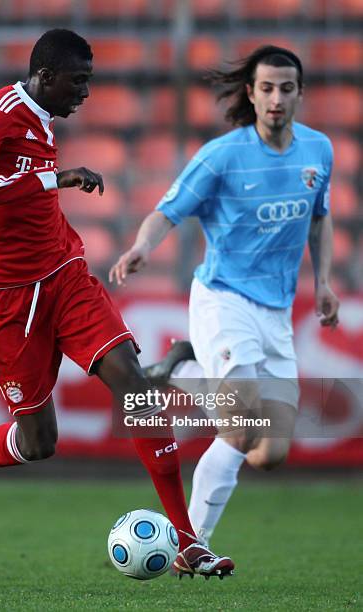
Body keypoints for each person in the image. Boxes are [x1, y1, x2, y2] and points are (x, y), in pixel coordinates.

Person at [0, 29, 234, 579]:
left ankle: (188, 540)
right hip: (6, 298)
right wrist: (53, 177)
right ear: (45, 77)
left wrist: (47, 187)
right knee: (38, 443)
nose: (85, 93)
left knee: (134, 388)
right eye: (78, 81)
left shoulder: (40, 115)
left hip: (64, 275)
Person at [110, 45, 339, 544]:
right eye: (267, 88)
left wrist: (321, 282)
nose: (276, 98)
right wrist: (142, 246)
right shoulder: (222, 156)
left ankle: (185, 370)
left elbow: (320, 219)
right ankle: (194, 545)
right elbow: (166, 211)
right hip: (224, 300)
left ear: (300, 93)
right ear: (251, 94)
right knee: (239, 429)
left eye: (286, 88)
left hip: (276, 313)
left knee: (268, 453)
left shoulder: (317, 151)